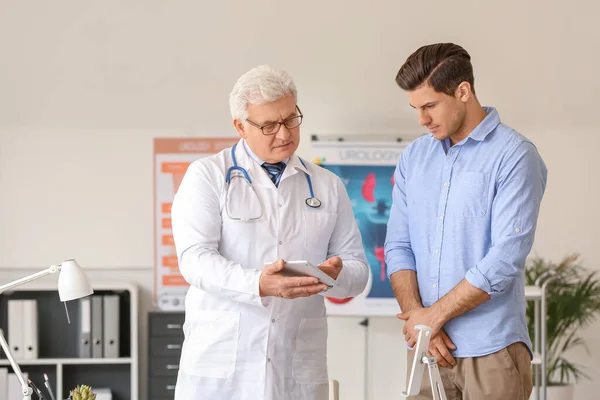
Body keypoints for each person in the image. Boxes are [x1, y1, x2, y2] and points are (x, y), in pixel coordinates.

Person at [171, 64, 369, 400]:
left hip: (296, 366)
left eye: (291, 118)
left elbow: (358, 271)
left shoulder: (327, 186)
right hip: (221, 366)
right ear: (240, 127)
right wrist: (258, 284)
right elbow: (195, 260)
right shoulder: (207, 176)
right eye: (269, 125)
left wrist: (336, 274)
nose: (284, 133)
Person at [384, 43, 548, 400]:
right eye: (416, 108)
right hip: (428, 352)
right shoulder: (414, 157)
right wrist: (420, 319)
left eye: (429, 106)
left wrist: (433, 317)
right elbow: (398, 246)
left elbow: (504, 259)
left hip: (492, 350)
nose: (422, 120)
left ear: (463, 91)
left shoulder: (515, 155)